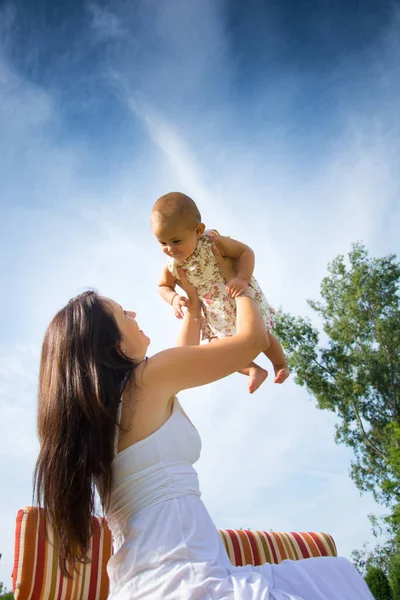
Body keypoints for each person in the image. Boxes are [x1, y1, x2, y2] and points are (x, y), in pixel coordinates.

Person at [34, 274, 373, 599]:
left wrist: (194, 307)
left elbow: (184, 358)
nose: (133, 313)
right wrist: (241, 284)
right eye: (123, 313)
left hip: (143, 585)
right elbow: (252, 341)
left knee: (335, 575)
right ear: (111, 343)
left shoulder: (105, 420)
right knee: (337, 577)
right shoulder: (148, 380)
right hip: (187, 584)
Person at [151, 191, 290, 394]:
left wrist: (241, 278)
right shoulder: (172, 264)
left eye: (176, 241)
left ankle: (280, 364)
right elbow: (163, 286)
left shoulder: (212, 242)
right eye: (163, 243)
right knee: (219, 350)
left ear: (198, 230)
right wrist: (174, 299)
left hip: (236, 292)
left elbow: (245, 252)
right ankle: (253, 369)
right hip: (215, 312)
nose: (170, 248)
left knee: (263, 335)